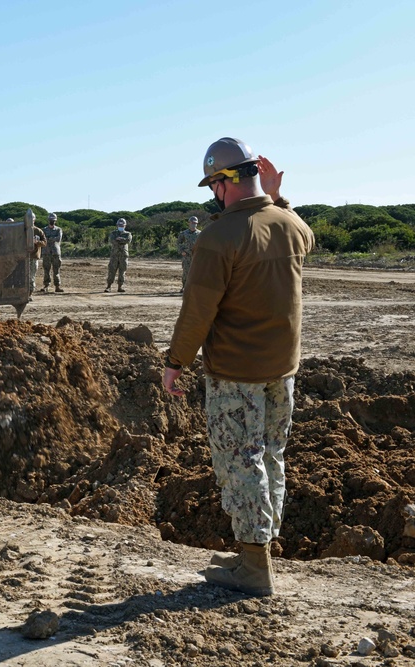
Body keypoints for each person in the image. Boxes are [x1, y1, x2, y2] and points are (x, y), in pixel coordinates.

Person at [162, 138, 315, 597]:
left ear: (227, 182)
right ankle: (258, 550)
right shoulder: (290, 224)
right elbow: (301, 231)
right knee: (271, 456)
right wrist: (276, 195)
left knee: (240, 463)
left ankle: (253, 567)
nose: (212, 194)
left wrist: (175, 363)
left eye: (214, 184)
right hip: (282, 371)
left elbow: (197, 311)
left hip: (236, 374)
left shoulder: (218, 238)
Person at [105, 218, 132, 292]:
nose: (121, 226)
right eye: (119, 225)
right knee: (111, 271)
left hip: (123, 255)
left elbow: (128, 240)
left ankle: (120, 287)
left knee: (122, 271)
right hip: (114, 255)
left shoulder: (128, 234)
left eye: (122, 225)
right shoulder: (113, 233)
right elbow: (112, 241)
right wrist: (121, 240)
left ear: (125, 225)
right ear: (117, 225)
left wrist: (119, 239)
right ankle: (108, 286)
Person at [177, 216, 201, 292]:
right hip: (186, 255)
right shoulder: (184, 233)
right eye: (192, 223)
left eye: (195, 223)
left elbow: (204, 244)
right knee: (186, 272)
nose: (193, 225)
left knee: (196, 272)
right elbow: (178, 243)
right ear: (189, 223)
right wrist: (181, 251)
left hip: (196, 256)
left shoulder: (200, 233)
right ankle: (184, 287)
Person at [40, 213, 63, 293]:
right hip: (46, 252)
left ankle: (57, 286)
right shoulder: (44, 230)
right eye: (51, 220)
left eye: (53, 220)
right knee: (46, 270)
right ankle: (46, 285)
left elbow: (58, 238)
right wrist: (51, 239)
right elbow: (43, 239)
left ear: (55, 221)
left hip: (56, 252)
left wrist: (49, 238)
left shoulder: (58, 229)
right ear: (48, 220)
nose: (52, 221)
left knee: (56, 270)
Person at [29, 220, 47, 300]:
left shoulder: (38, 231)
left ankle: (29, 294)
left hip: (33, 257)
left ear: (34, 220)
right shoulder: (22, 229)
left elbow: (44, 243)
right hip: (22, 257)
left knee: (31, 277)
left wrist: (37, 242)